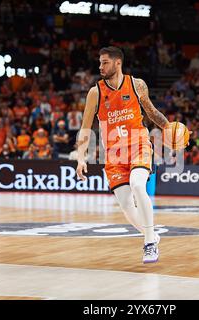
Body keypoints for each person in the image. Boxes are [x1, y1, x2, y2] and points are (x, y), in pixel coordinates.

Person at [76, 46, 172, 263]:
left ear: (117, 63)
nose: (100, 66)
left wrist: (169, 127)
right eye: (99, 62)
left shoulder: (137, 85)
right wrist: (81, 158)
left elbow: (151, 111)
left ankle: (148, 243)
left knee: (138, 185)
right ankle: (152, 235)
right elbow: (85, 127)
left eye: (105, 62)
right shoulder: (96, 92)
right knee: (127, 207)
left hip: (139, 145)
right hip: (113, 155)